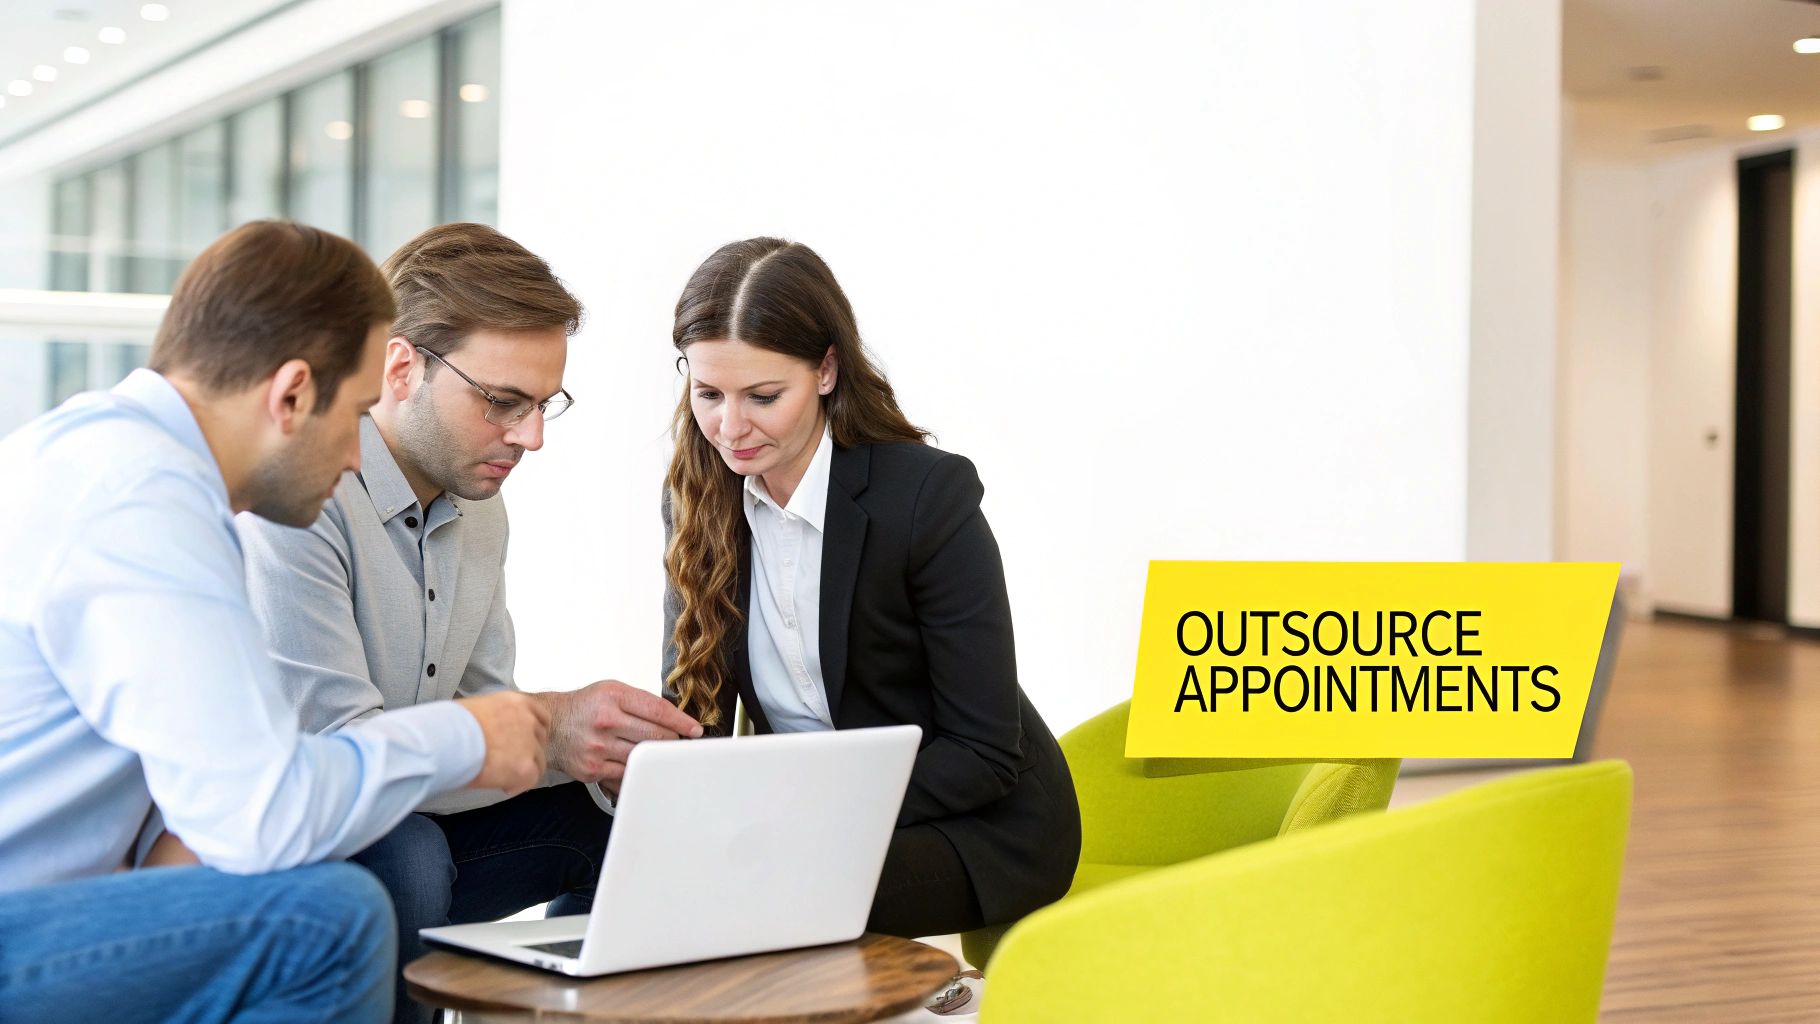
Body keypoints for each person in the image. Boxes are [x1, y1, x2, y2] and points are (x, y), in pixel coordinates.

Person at [0, 220, 551, 1023]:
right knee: (326, 919)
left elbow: (211, 791)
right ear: (291, 393)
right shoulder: (145, 504)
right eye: (357, 412)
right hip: (24, 922)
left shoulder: (106, 460)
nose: (359, 456)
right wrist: (470, 735)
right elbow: (264, 815)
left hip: (62, 906)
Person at [234, 222, 703, 1024]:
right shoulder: (300, 499)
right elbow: (340, 766)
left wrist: (595, 749)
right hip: (285, 842)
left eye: (544, 404)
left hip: (405, 820)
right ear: (403, 366)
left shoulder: (479, 510)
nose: (531, 437)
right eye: (502, 402)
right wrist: (546, 728)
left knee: (619, 820)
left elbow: (486, 723)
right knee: (407, 856)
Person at [661, 238, 1081, 942]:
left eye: (763, 396)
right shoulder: (699, 498)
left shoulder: (925, 499)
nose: (729, 429)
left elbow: (984, 753)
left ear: (826, 369)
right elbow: (696, 711)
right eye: (708, 394)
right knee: (611, 875)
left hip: (977, 826)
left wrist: (807, 816)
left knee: (773, 891)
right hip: (803, 828)